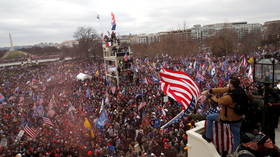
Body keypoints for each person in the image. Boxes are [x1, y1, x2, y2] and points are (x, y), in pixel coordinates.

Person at [201, 77, 245, 152]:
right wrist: (210, 90)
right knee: (236, 135)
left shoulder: (229, 97)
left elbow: (217, 102)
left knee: (209, 117)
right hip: (239, 116)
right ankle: (236, 151)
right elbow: (223, 89)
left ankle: (208, 136)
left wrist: (210, 96)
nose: (228, 85)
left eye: (229, 83)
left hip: (229, 117)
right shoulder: (240, 90)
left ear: (231, 85)